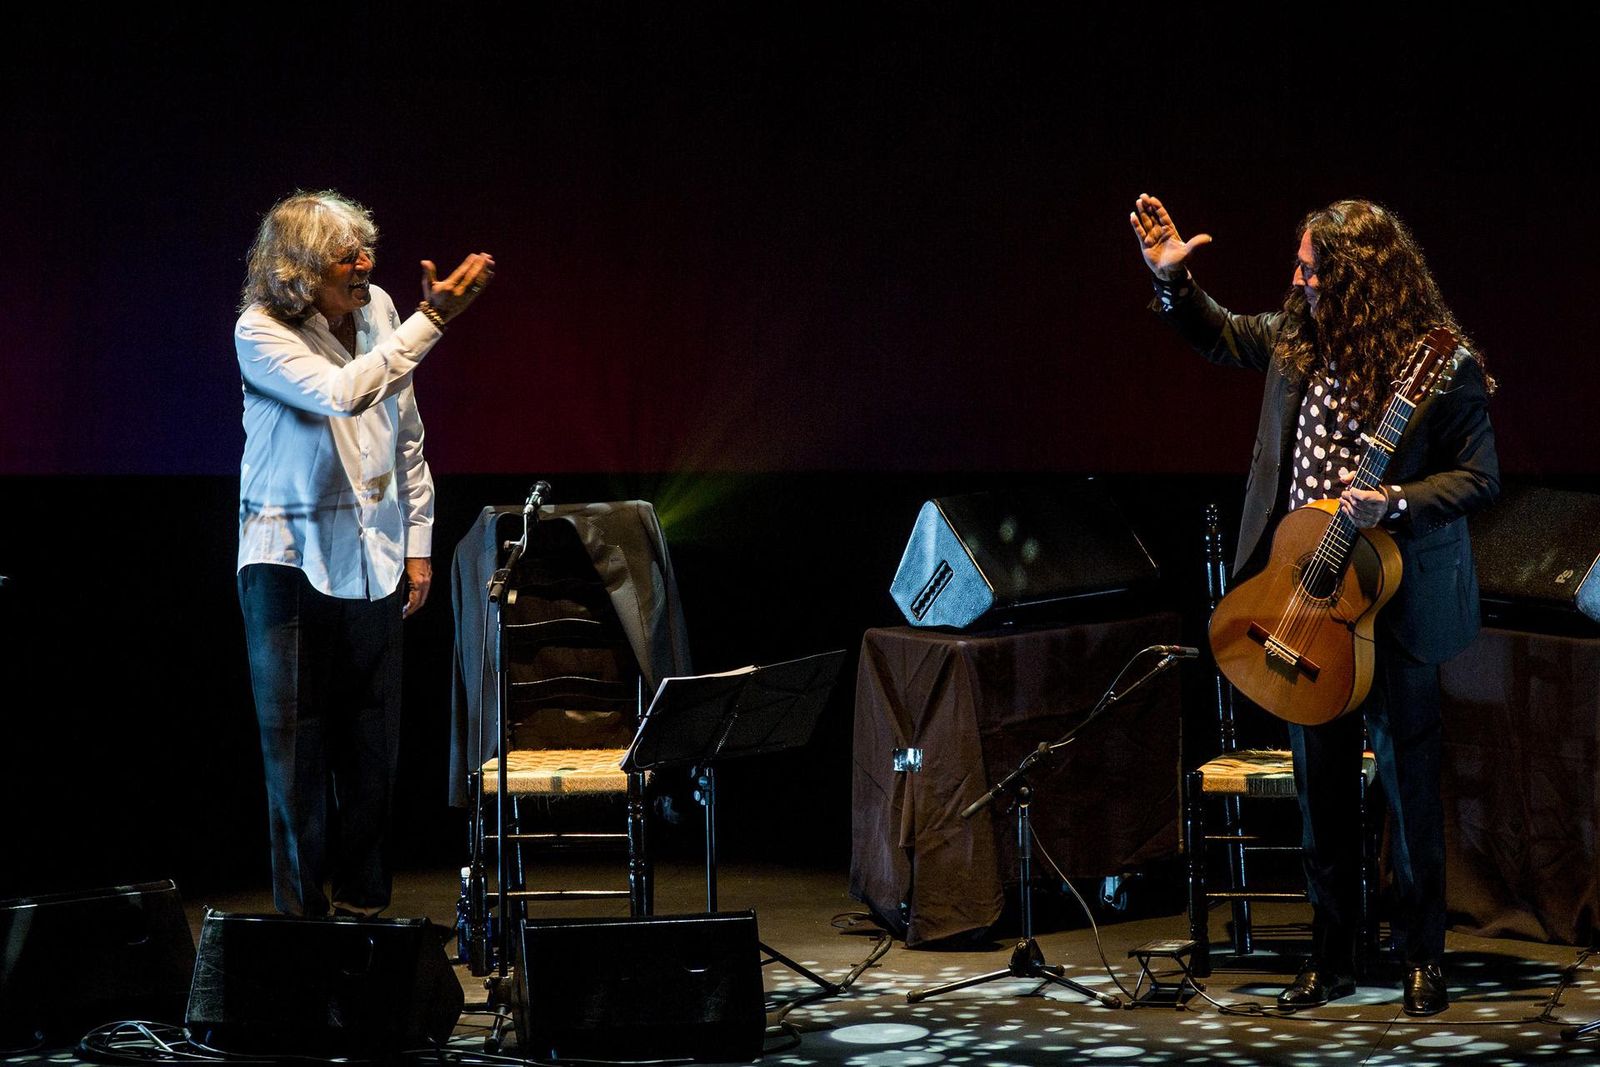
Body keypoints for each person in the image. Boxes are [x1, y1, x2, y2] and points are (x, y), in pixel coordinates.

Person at [1130, 194, 1498, 1016]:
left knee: (1408, 790)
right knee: (1319, 792)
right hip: (1308, 599)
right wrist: (1173, 285)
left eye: (1313, 272)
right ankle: (1330, 956)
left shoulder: (1440, 366)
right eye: (1299, 267)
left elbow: (1481, 478)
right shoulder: (1297, 338)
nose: (1297, 283)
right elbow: (1220, 330)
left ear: (1363, 283)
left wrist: (1393, 500)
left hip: (1397, 606)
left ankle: (1421, 959)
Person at [235, 189, 494, 918]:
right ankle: (301, 930)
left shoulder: (380, 307)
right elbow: (345, 394)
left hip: (374, 555)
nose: (364, 263)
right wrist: (434, 318)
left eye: (365, 248)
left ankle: (365, 914)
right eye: (345, 254)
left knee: (372, 749)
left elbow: (403, 427)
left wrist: (417, 543)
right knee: (296, 759)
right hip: (286, 560)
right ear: (298, 269)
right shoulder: (260, 331)